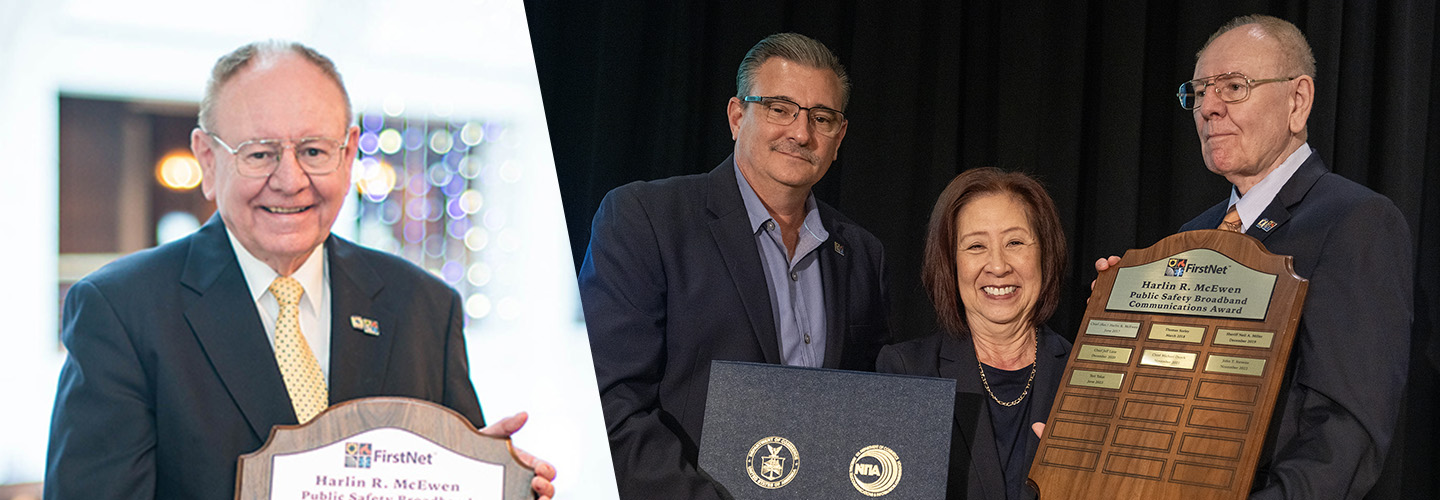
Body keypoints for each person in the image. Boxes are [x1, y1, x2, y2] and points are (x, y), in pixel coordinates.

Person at [44, 41, 555, 499]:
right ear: (206, 158)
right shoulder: (121, 311)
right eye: (260, 153)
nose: (289, 181)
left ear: (349, 153)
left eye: (313, 151)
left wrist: (478, 479)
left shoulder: (424, 306)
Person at [1097, 15, 1413, 499]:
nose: (1209, 108)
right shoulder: (1191, 236)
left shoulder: (1356, 222)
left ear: (1298, 100)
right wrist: (1118, 326)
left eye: (1233, 87)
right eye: (1199, 92)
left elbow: (1347, 431)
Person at [578, 32, 889, 499]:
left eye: (821, 118)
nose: (801, 133)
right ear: (737, 115)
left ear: (838, 137)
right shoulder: (646, 218)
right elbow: (609, 404)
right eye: (779, 108)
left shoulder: (862, 253)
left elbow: (871, 410)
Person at [877, 168, 1070, 500]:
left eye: (1015, 242)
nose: (997, 265)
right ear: (950, 263)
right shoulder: (907, 371)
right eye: (976, 246)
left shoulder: (1084, 375)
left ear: (1044, 254)